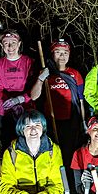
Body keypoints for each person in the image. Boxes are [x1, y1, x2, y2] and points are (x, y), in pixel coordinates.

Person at [31, 39, 85, 170]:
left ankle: (70, 179)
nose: (62, 56)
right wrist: (40, 78)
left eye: (65, 52)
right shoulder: (45, 73)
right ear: (52, 54)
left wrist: (83, 121)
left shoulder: (75, 74)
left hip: (70, 121)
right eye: (58, 52)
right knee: (52, 152)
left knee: (69, 152)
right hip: (50, 120)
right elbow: (33, 96)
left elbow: (81, 100)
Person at [0, 29, 35, 150]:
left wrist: (20, 99)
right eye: (6, 43)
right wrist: (9, 101)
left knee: (29, 146)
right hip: (6, 112)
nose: (10, 47)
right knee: (9, 146)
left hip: (27, 110)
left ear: (19, 44)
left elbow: (33, 87)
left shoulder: (28, 61)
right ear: (1, 45)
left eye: (13, 42)